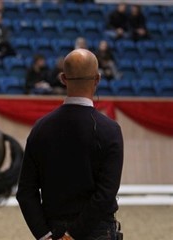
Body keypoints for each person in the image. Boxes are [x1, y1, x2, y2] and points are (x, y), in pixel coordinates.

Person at [17, 49, 124, 240]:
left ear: (63, 78)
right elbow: (106, 193)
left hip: (53, 229)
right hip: (97, 230)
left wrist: (44, 235)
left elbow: (25, 192)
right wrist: (72, 235)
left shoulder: (41, 128)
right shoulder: (110, 130)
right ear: (97, 79)